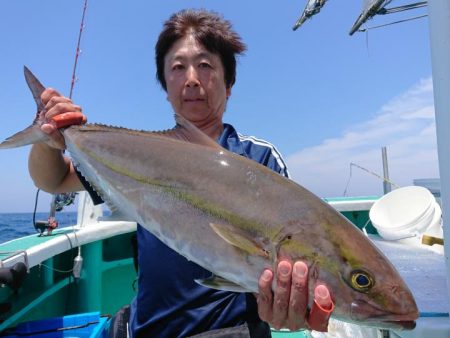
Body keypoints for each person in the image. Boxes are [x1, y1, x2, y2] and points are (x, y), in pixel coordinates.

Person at [28, 9, 333, 338]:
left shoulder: (259, 160)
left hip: (231, 330)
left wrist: (289, 305)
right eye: (177, 67)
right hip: (147, 327)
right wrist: (49, 140)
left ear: (228, 84)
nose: (191, 78)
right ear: (165, 85)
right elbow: (54, 180)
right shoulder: (140, 153)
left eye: (205, 65)